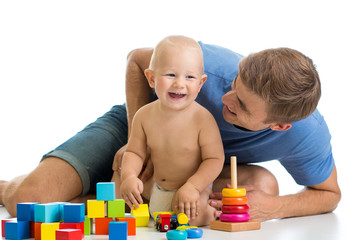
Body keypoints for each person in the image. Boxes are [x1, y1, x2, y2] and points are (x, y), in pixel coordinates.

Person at [0, 37, 341, 222]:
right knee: (29, 202)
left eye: (242, 106)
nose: (226, 97)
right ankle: (8, 188)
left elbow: (329, 194)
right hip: (138, 126)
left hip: (188, 167)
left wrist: (275, 208)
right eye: (235, 83)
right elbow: (137, 58)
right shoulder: (206, 64)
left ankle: (114, 204)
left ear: (280, 125)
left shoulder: (307, 136)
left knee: (263, 185)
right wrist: (140, 141)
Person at [117, 35, 224, 226]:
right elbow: (134, 152)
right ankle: (151, 210)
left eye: (190, 77)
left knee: (194, 215)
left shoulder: (203, 119)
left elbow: (215, 159)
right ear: (151, 78)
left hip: (191, 191)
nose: (179, 84)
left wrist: (193, 186)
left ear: (201, 83)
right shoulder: (144, 116)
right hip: (157, 187)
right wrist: (129, 177)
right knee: (120, 190)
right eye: (171, 75)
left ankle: (211, 211)